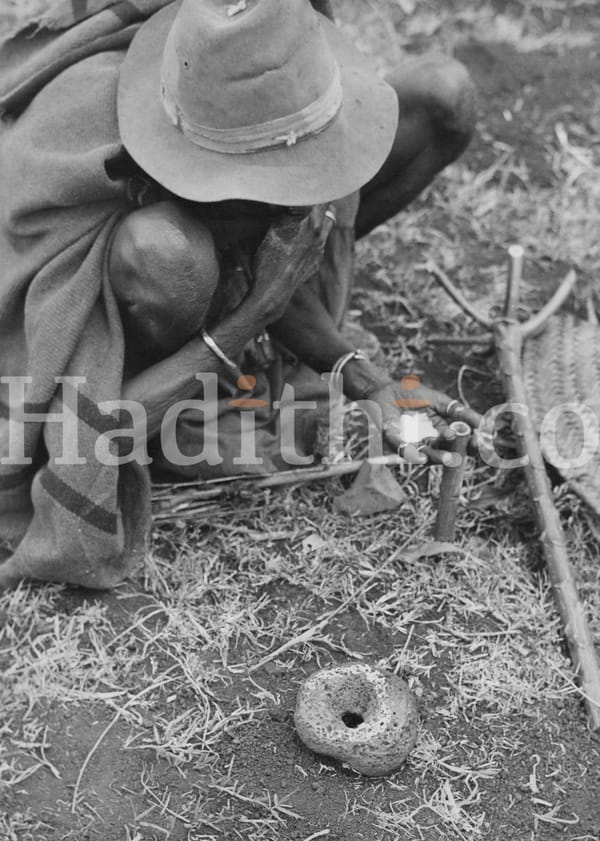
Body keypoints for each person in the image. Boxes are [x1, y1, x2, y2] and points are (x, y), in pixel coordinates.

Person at [0, 0, 477, 588]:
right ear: (165, 176)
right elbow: (92, 430)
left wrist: (368, 379)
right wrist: (253, 313)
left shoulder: (266, 64)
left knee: (441, 95)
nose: (294, 210)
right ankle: (182, 378)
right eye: (265, 201)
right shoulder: (81, 165)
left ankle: (235, 281)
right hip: (151, 279)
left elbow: (280, 232)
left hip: (224, 207)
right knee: (168, 258)